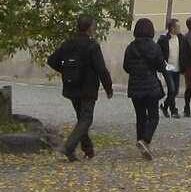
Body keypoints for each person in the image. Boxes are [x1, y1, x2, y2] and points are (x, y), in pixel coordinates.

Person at [46, 15, 114, 162]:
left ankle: (88, 149)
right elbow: (101, 68)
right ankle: (69, 147)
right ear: (90, 29)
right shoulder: (92, 46)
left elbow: (51, 60)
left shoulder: (68, 44)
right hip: (88, 88)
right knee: (86, 119)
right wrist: (109, 88)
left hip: (71, 86)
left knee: (81, 118)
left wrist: (65, 70)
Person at [121, 19, 166, 160]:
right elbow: (160, 66)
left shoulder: (131, 47)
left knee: (140, 116)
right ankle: (145, 140)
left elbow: (126, 67)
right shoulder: (154, 47)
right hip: (150, 85)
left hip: (135, 86)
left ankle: (142, 144)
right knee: (153, 116)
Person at [157, 18, 184, 116]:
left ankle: (165, 106)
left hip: (177, 67)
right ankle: (174, 110)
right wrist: (162, 64)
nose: (179, 28)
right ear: (172, 28)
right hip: (167, 67)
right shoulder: (163, 39)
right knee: (171, 88)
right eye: (178, 26)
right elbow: (158, 52)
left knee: (175, 90)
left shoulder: (181, 38)